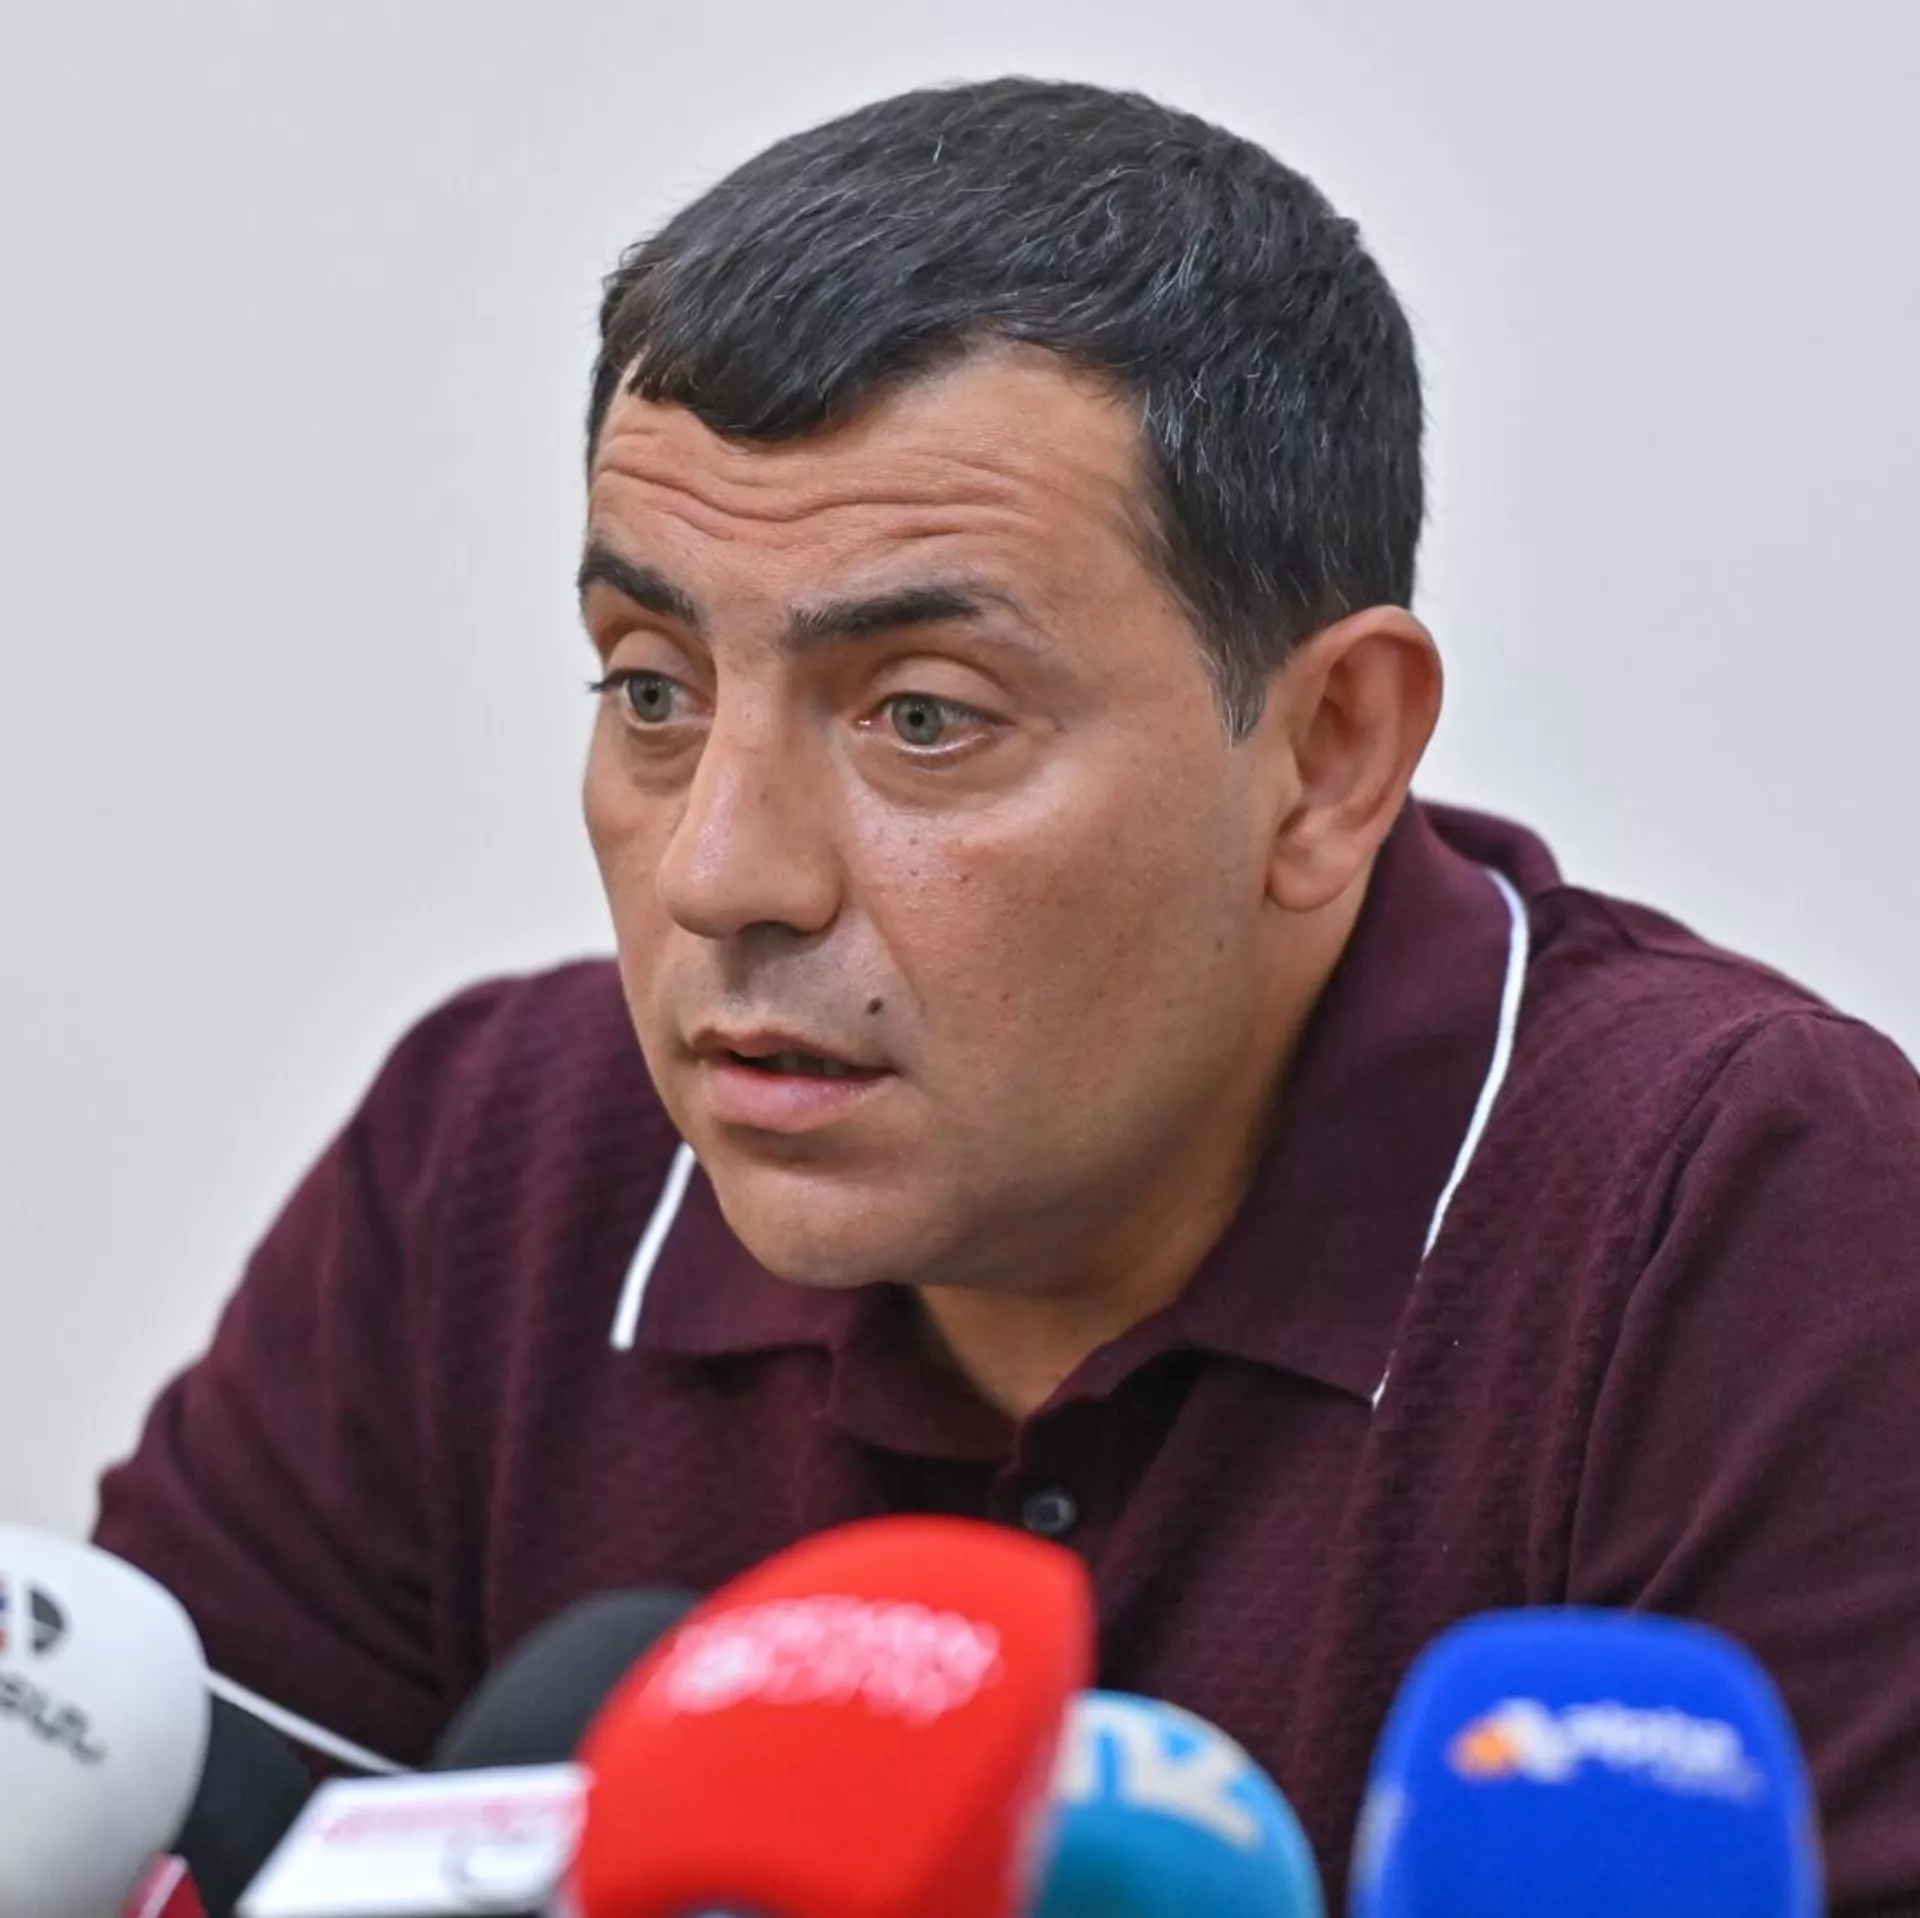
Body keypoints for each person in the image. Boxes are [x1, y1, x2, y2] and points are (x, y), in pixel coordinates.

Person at [94, 78, 1920, 1909]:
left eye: (922, 716)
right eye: (651, 688)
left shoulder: (1748, 1216)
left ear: (1329, 755)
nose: (722, 872)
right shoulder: (499, 1162)